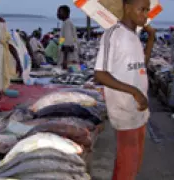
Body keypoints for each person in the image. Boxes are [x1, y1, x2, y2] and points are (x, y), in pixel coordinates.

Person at [94, 0, 155, 179]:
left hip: (140, 109)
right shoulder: (113, 34)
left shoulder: (134, 35)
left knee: (135, 161)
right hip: (124, 108)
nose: (146, 15)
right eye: (141, 9)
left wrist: (151, 38)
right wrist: (135, 92)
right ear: (127, 8)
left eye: (147, 10)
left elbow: (141, 65)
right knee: (126, 164)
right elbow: (100, 74)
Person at [57, 5, 79, 69]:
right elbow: (62, 41)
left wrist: (64, 60)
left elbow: (67, 44)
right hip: (68, 59)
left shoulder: (67, 23)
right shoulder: (65, 23)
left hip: (69, 59)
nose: (57, 14)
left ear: (66, 13)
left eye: (59, 12)